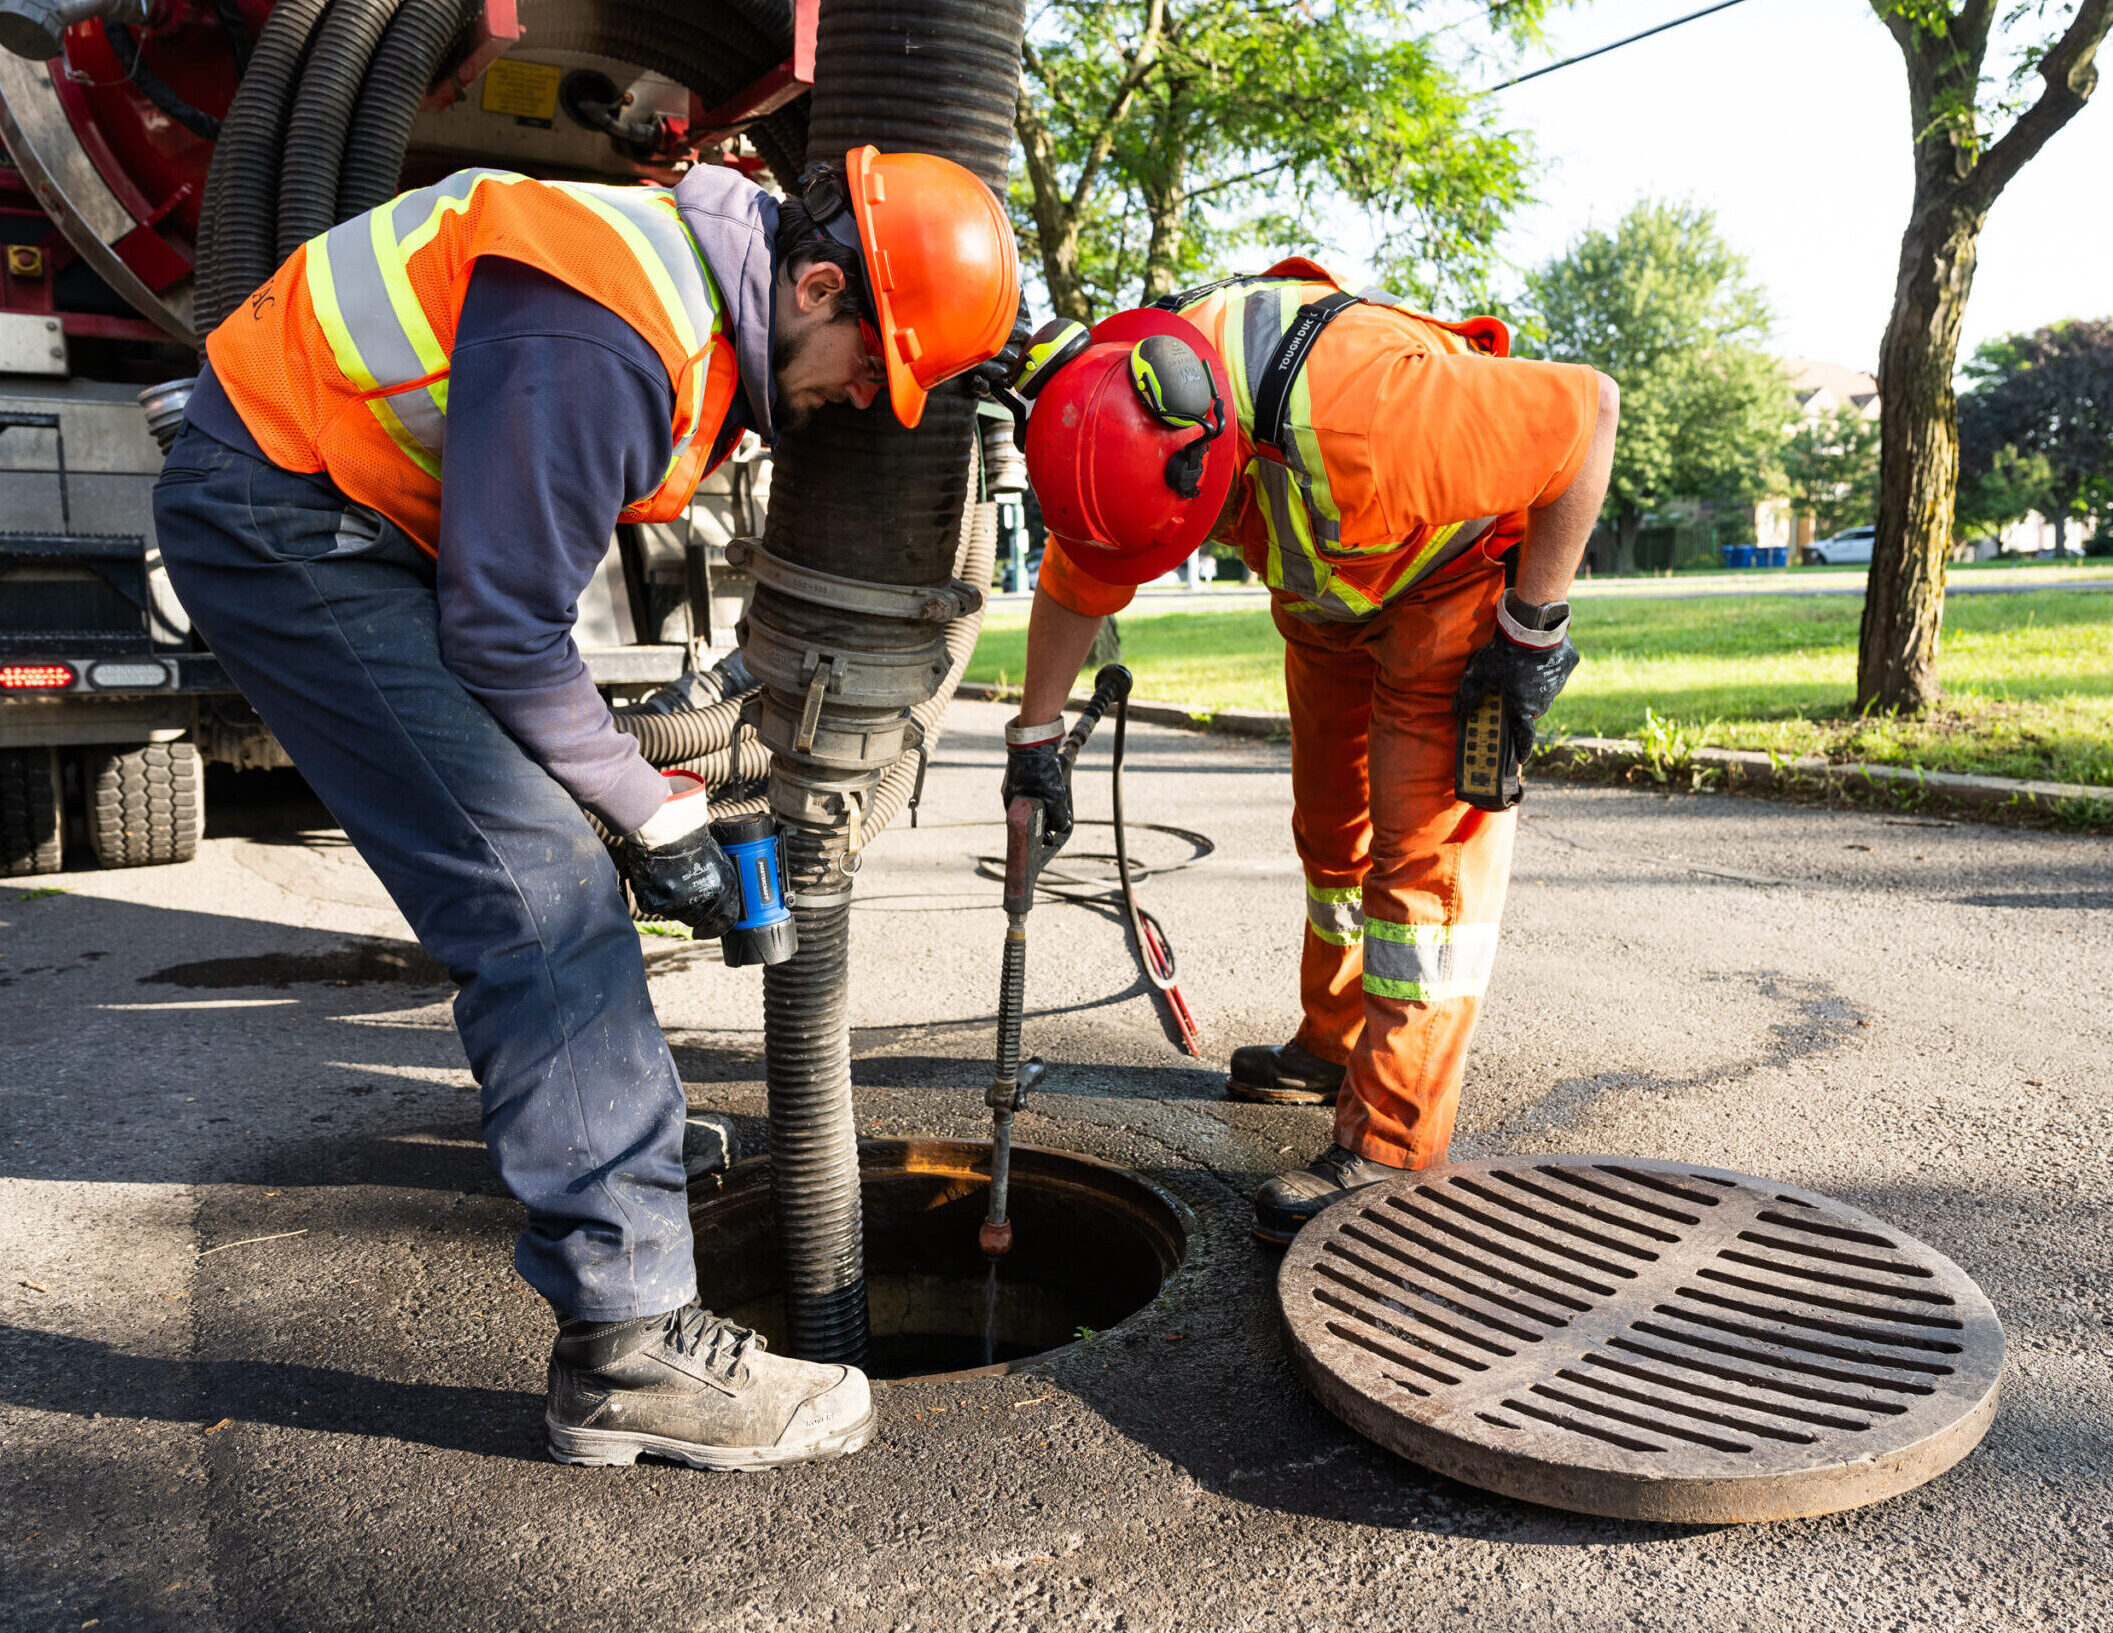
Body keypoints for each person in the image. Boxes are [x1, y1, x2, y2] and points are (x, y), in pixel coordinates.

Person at [153, 149, 1019, 1468]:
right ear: (819, 281)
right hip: (288, 521)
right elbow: (505, 632)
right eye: (867, 365)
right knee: (539, 891)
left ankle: (618, 1168)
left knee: (559, 856)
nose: (856, 401)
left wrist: (640, 790)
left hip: (351, 515)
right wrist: (652, 818)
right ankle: (628, 1347)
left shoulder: (677, 296)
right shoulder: (615, 316)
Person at [999, 261, 1618, 1244]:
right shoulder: (1124, 406)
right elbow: (1078, 585)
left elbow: (1587, 415)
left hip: (1449, 589)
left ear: (1220, 461)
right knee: (1331, 836)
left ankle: (1389, 1146)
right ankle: (1330, 1047)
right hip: (1328, 607)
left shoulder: (1369, 415)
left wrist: (1530, 627)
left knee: (1421, 879)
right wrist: (1034, 744)